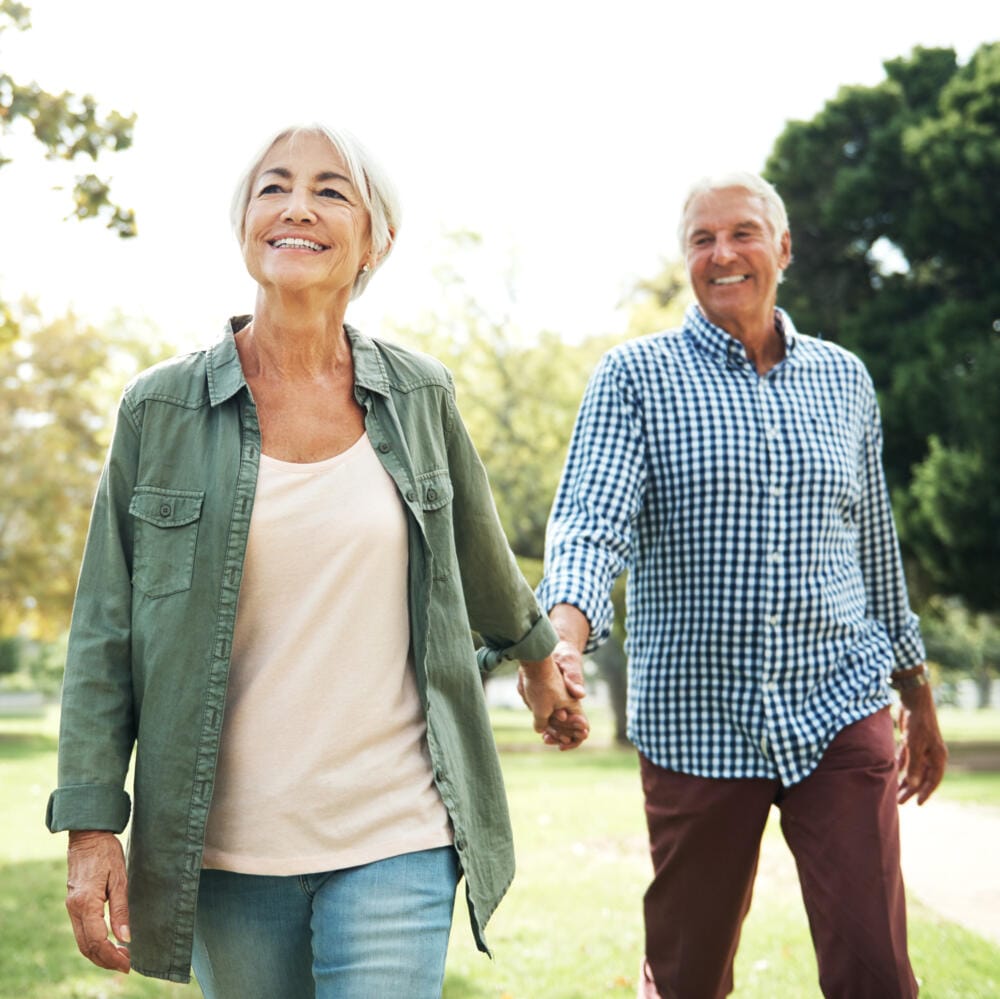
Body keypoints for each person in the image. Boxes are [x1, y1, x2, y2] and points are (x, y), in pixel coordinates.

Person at [46, 122, 588, 998]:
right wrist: (91, 825)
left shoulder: (420, 396)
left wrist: (537, 661)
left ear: (376, 240)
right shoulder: (160, 410)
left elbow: (480, 558)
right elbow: (105, 633)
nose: (297, 206)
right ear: (245, 225)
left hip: (397, 830)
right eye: (274, 187)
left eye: (331, 191)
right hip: (224, 848)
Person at [532, 172, 947, 998]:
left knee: (875, 966)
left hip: (840, 701)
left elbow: (874, 547)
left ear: (783, 248)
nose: (722, 253)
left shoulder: (843, 380)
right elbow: (589, 525)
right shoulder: (635, 377)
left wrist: (916, 691)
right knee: (689, 973)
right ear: (686, 257)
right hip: (697, 718)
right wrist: (562, 642)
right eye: (702, 239)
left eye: (742, 233)